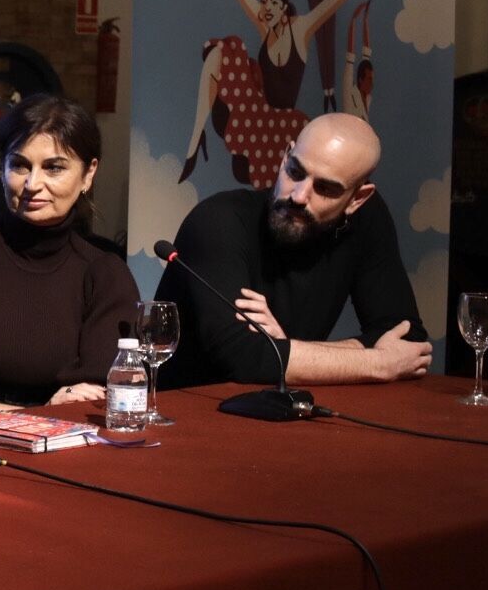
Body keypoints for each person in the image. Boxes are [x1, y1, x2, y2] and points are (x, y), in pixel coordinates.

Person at [156, 112, 432, 388]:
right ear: (285, 157)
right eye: (295, 172)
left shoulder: (366, 219)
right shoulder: (218, 220)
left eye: (324, 188)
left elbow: (407, 340)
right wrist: (378, 363)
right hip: (189, 404)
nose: (299, 196)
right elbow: (240, 355)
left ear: (357, 199)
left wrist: (286, 347)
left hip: (282, 405)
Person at [0, 95, 142, 409]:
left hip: (75, 437)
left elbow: (100, 395)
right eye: (19, 165)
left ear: (88, 174)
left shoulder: (104, 274)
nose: (33, 183)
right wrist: (39, 416)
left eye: (54, 168)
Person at [180, 0, 388, 190]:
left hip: (283, 125)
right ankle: (196, 139)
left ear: (284, 6)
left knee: (281, 185)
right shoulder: (265, 27)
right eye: (264, 1)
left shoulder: (300, 30)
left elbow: (336, 0)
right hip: (258, 114)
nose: (267, 8)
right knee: (220, 53)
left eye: (273, 3)